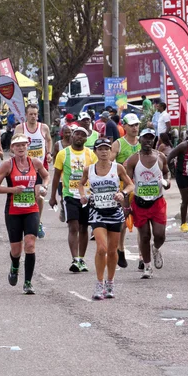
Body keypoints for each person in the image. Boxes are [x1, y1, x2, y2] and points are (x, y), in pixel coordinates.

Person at [0, 133, 50, 294]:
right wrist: (12, 190)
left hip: (32, 209)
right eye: (17, 145)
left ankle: (28, 282)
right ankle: (15, 266)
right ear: (12, 148)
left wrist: (43, 187)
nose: (21, 148)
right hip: (13, 210)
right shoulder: (7, 165)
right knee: (16, 250)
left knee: (30, 244)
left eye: (23, 145)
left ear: (27, 146)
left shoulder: (35, 162)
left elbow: (46, 176)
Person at [80, 138, 134, 299]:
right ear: (95, 151)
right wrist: (83, 196)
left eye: (107, 149)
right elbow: (81, 184)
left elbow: (131, 185)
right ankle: (99, 283)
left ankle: (110, 282)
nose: (104, 152)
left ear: (110, 151)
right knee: (101, 249)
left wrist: (122, 193)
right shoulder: (89, 170)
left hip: (115, 212)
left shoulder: (117, 168)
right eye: (100, 149)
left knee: (112, 251)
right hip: (97, 212)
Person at [49, 127, 97, 272]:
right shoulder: (63, 154)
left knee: (84, 228)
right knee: (73, 226)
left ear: (86, 138)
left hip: (86, 196)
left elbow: (96, 174)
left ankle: (81, 259)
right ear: (72, 136)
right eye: (77, 134)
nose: (79, 137)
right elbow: (56, 176)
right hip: (69, 195)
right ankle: (75, 259)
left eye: (83, 135)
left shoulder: (91, 154)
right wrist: (53, 196)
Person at [125, 128, 171, 278]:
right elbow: (127, 183)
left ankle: (156, 248)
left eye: (151, 138)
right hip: (140, 203)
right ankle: (147, 266)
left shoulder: (161, 157)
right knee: (144, 236)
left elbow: (166, 172)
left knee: (160, 235)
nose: (148, 141)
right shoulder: (133, 160)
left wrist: (168, 181)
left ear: (154, 141)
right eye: (145, 138)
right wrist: (126, 206)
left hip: (157, 202)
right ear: (140, 140)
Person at [14, 104, 53, 238]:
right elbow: (13, 144)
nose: (33, 116)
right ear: (26, 115)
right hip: (24, 168)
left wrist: (49, 153)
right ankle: (23, 221)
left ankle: (38, 221)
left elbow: (48, 140)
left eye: (35, 114)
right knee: (24, 195)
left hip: (39, 167)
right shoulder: (20, 128)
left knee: (39, 195)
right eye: (30, 114)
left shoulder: (43, 127)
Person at [110, 113, 141, 267]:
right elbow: (109, 164)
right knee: (123, 220)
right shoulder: (118, 144)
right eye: (132, 125)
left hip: (142, 187)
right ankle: (120, 248)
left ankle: (143, 256)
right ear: (124, 126)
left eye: (137, 125)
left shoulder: (144, 142)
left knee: (142, 222)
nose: (135, 128)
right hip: (125, 187)